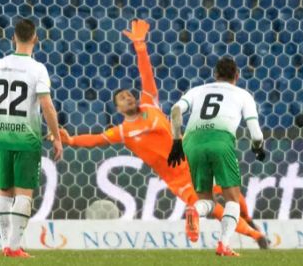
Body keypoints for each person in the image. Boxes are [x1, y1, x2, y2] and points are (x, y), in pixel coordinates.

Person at [58, 20, 268, 248]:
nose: (128, 98)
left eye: (129, 95)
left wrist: (140, 46)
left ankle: (248, 222)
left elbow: (146, 73)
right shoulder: (122, 131)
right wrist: (69, 139)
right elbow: (94, 140)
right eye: (122, 99)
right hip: (175, 177)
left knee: (234, 198)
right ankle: (257, 237)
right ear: (117, 109)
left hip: (192, 158)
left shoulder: (150, 103)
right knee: (216, 208)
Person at [167, 56, 267, 257]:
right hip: (220, 141)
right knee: (232, 199)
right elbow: (256, 133)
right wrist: (258, 148)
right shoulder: (243, 95)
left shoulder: (197, 91)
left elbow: (175, 110)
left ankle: (195, 210)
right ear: (237, 76)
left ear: (215, 75)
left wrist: (176, 140)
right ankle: (223, 244)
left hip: (192, 142)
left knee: (207, 200)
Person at [0, 19, 63, 258]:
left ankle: (6, 244)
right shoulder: (37, 68)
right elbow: (47, 105)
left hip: (3, 136)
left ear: (13, 38)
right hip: (27, 139)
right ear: (36, 39)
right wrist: (57, 137)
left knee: (4, 192)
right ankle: (14, 247)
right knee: (24, 193)